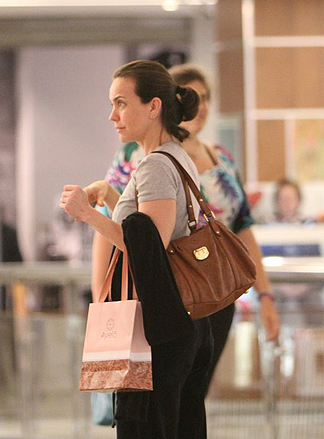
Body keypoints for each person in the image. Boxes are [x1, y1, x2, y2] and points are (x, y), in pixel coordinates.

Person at [90, 64, 280, 398]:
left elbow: (243, 229)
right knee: (159, 398)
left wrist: (265, 295)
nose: (201, 106)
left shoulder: (219, 157)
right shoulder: (137, 153)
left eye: (206, 98)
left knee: (191, 396)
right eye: (194, 95)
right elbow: (122, 222)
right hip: (170, 289)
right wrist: (102, 298)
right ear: (162, 102)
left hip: (218, 286)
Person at [60, 60, 213, 438]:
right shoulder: (173, 158)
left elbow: (150, 248)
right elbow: (150, 229)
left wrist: (86, 215)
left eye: (122, 103)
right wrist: (112, 198)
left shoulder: (156, 166)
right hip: (184, 318)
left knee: (148, 426)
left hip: (160, 325)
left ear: (154, 106)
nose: (113, 115)